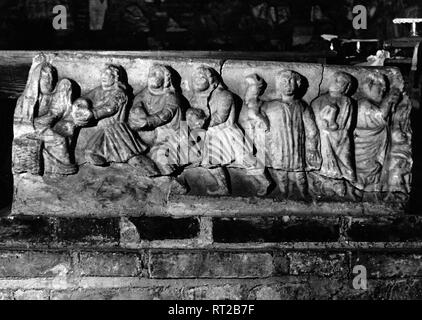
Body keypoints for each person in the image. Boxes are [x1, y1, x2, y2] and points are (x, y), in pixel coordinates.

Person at [261, 70, 321, 198]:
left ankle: (304, 194)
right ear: (278, 85)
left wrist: (312, 147)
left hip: (297, 147)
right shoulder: (270, 106)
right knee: (281, 173)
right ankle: (284, 194)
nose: (287, 84)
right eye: (283, 82)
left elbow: (312, 129)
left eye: (291, 81)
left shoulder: (302, 106)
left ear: (298, 84)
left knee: (300, 174)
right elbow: (260, 125)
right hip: (278, 147)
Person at [82, 64, 146, 166]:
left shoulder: (119, 93)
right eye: (103, 73)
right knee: (91, 151)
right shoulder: (100, 90)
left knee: (129, 155)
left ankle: (147, 168)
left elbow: (111, 108)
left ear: (115, 78)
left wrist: (92, 113)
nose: (104, 76)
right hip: (104, 128)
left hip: (116, 129)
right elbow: (86, 98)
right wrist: (80, 105)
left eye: (108, 74)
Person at [129, 64, 184, 175]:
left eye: (157, 74)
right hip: (148, 136)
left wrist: (147, 121)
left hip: (169, 136)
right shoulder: (145, 93)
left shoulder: (171, 96)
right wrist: (137, 111)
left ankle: (167, 175)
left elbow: (166, 114)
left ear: (166, 79)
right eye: (150, 74)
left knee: (161, 159)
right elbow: (137, 103)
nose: (152, 76)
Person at [354, 71, 400, 191]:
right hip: (363, 146)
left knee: (372, 171)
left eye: (385, 89)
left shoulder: (371, 104)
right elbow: (378, 118)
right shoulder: (363, 104)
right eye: (380, 88)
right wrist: (389, 100)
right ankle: (360, 191)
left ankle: (367, 191)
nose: (383, 91)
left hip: (373, 146)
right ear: (369, 86)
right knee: (365, 170)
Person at [311, 71, 356, 184]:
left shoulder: (347, 101)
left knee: (345, 158)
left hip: (341, 136)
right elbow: (314, 119)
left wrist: (336, 125)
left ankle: (348, 177)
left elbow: (347, 122)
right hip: (324, 135)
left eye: (341, 82)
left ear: (347, 87)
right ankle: (328, 176)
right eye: (335, 80)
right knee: (326, 156)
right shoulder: (319, 100)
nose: (337, 83)